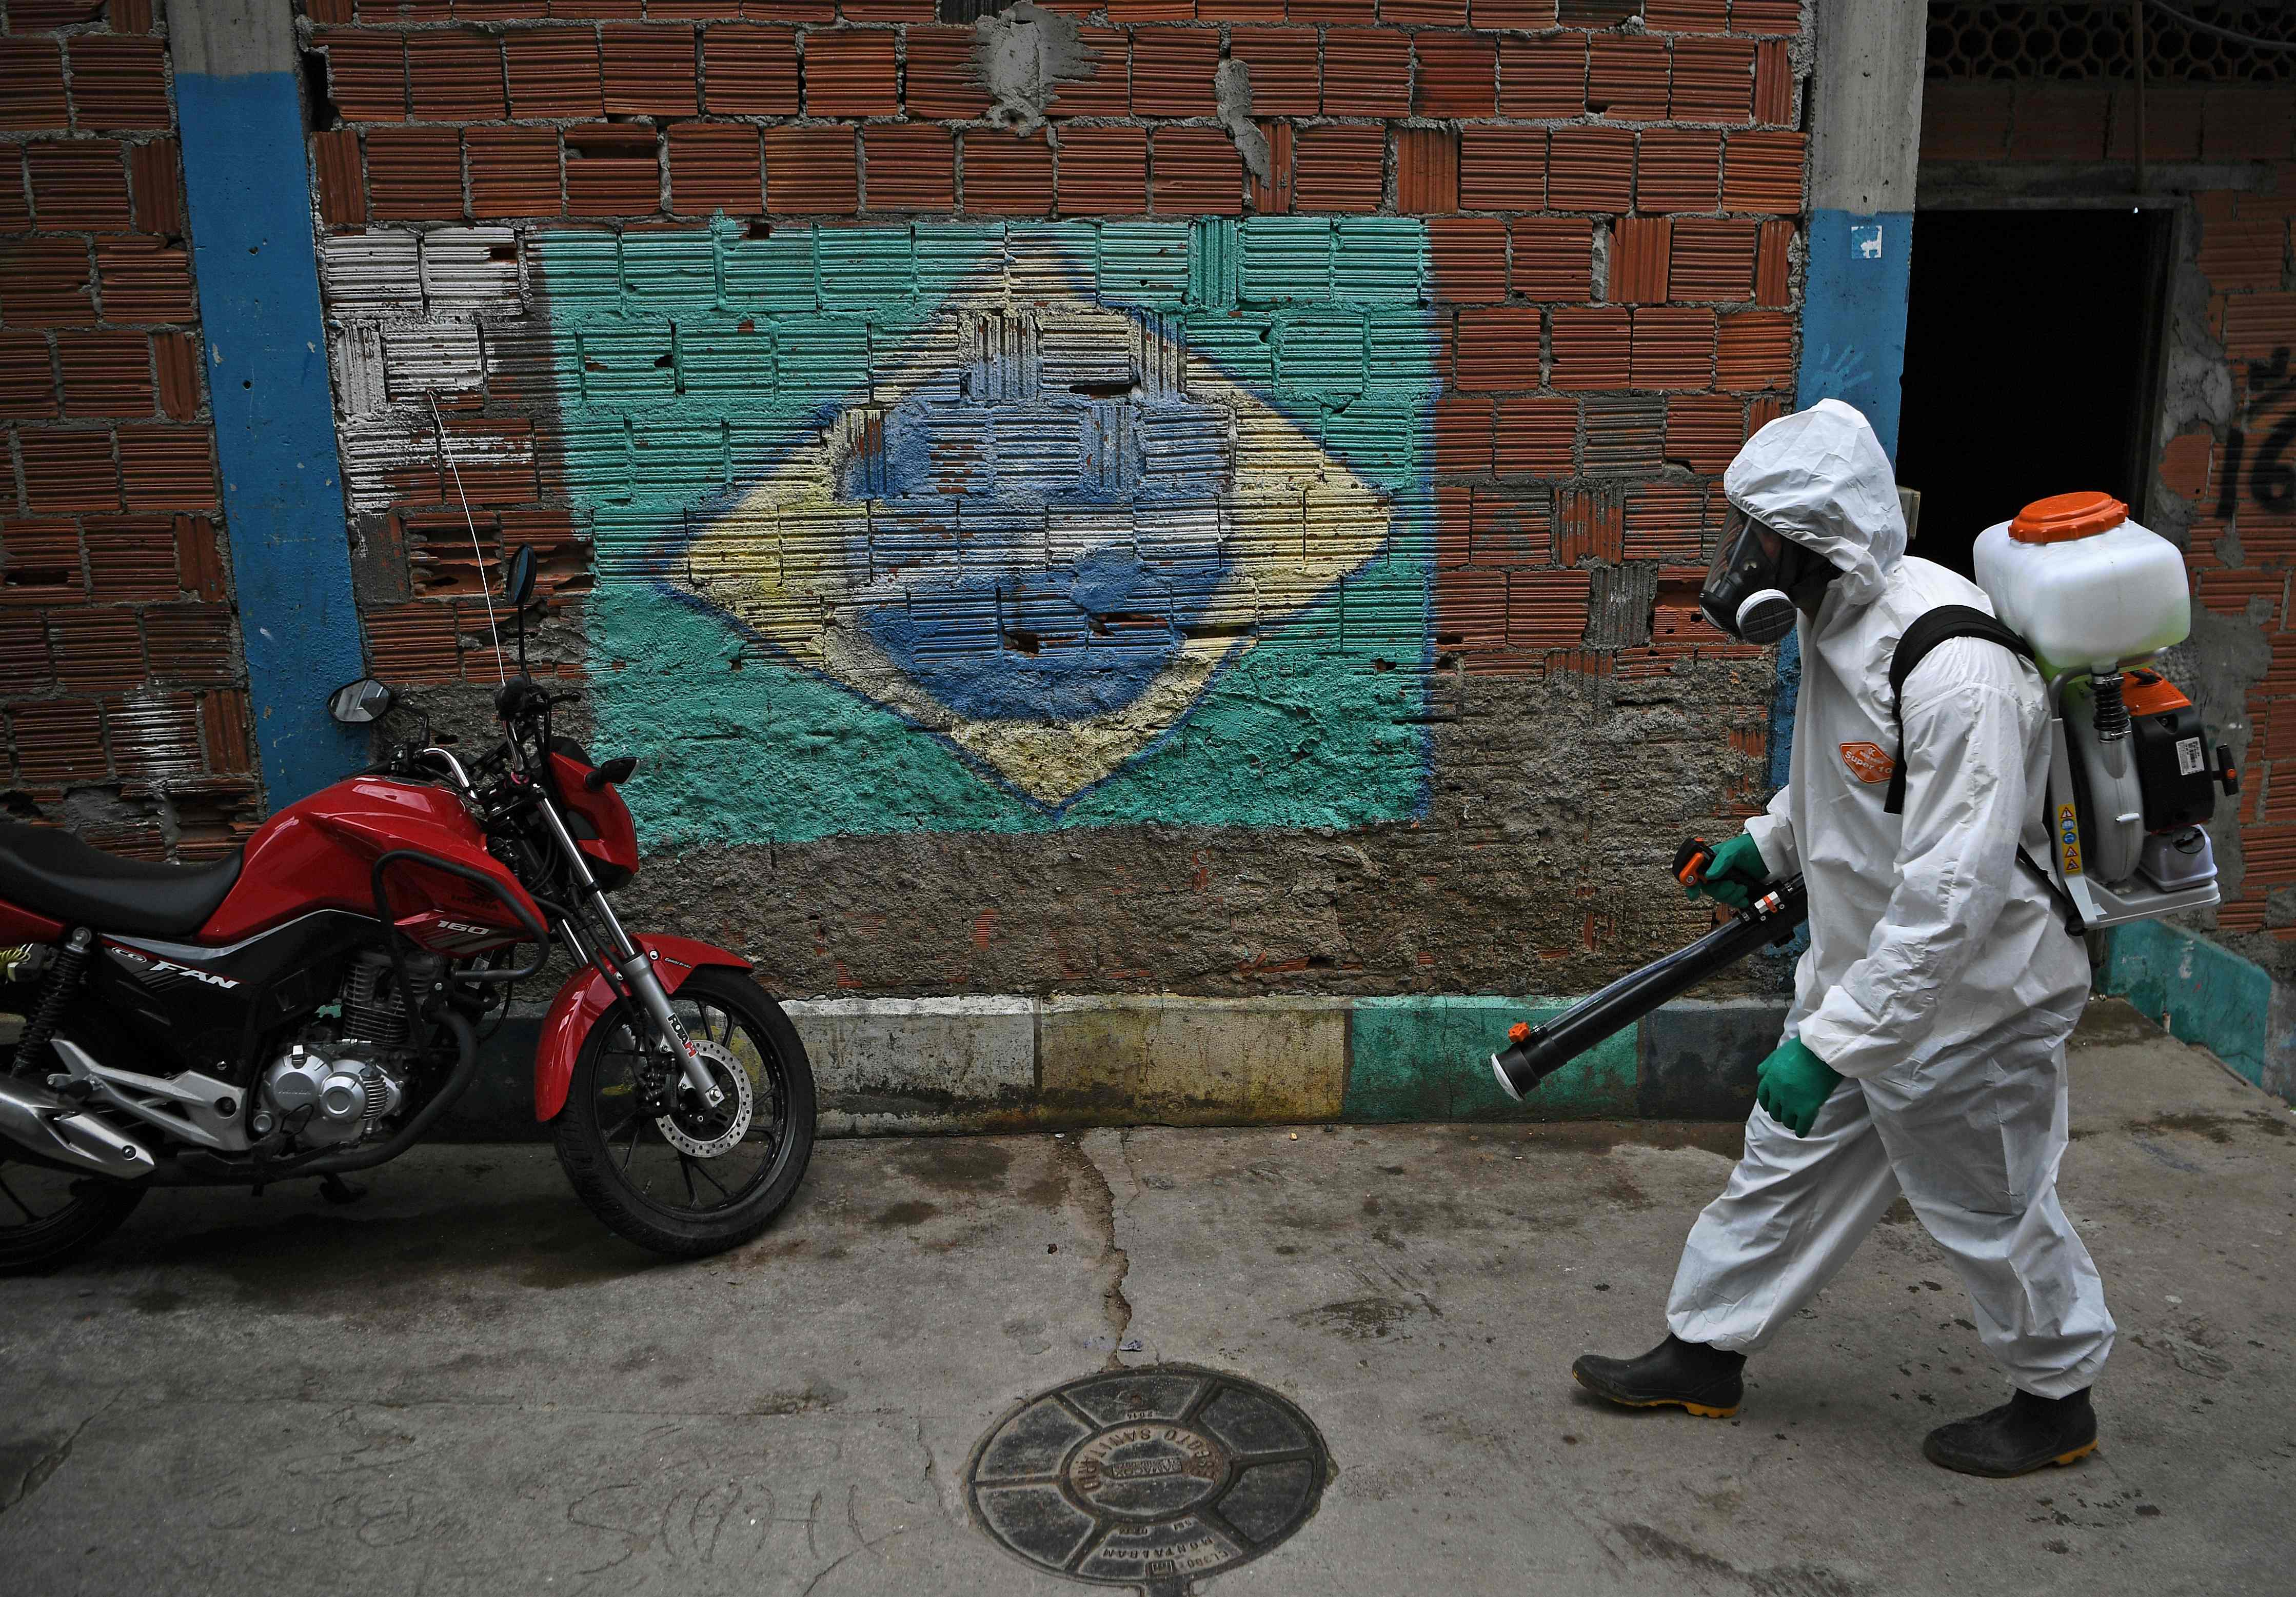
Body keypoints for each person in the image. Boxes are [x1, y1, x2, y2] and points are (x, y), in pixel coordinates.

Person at [1570, 400, 2113, 1479]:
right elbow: (1856, 783)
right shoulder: (1833, 622)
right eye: (1747, 533)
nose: (1742, 560)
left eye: (1762, 540)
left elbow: (1952, 889)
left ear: (1822, 541)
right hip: (1876, 981)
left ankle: (2058, 1401)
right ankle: (1704, 1353)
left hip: (1975, 1002)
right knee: (1781, 1167)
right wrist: (1768, 845)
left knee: (1991, 1203)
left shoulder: (1954, 665)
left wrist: (1831, 1043)